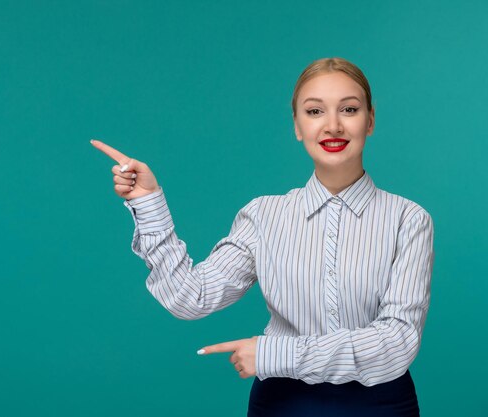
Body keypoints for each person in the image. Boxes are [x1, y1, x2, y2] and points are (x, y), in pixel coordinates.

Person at [91, 57, 434, 417]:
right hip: (282, 403)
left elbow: (398, 341)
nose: (333, 126)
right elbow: (190, 296)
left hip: (380, 404)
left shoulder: (408, 220)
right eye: (315, 111)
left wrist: (276, 354)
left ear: (370, 120)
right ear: (297, 126)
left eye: (348, 109)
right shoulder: (263, 216)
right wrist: (148, 203)